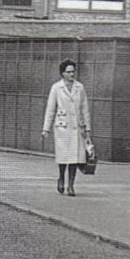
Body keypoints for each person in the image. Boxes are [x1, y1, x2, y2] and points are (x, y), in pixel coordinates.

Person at [42, 59, 91, 197]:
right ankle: (61, 178)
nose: (71, 74)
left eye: (73, 71)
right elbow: (51, 109)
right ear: (62, 73)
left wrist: (87, 129)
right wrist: (46, 128)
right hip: (62, 127)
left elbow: (85, 108)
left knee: (75, 158)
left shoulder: (80, 88)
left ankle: (71, 185)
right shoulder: (56, 88)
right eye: (68, 72)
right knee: (64, 156)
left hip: (76, 127)